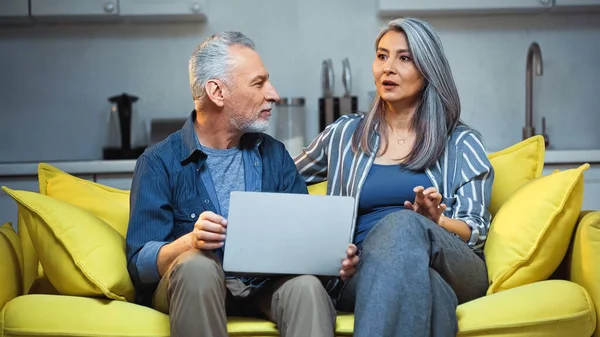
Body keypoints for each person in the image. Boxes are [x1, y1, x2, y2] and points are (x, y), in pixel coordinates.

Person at [125, 31, 359, 337]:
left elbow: (304, 250)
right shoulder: (158, 162)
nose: (273, 94)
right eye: (258, 83)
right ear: (217, 92)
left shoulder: (274, 154)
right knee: (198, 267)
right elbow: (140, 265)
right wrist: (190, 243)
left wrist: (333, 261)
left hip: (265, 286)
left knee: (307, 287)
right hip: (194, 286)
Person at [295, 18, 493, 337]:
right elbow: (281, 179)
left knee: (403, 223)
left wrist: (436, 222)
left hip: (454, 262)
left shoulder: (461, 142)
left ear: (428, 69)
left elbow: (477, 231)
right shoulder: (345, 134)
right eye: (382, 55)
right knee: (430, 289)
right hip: (362, 270)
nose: (388, 68)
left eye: (404, 58)